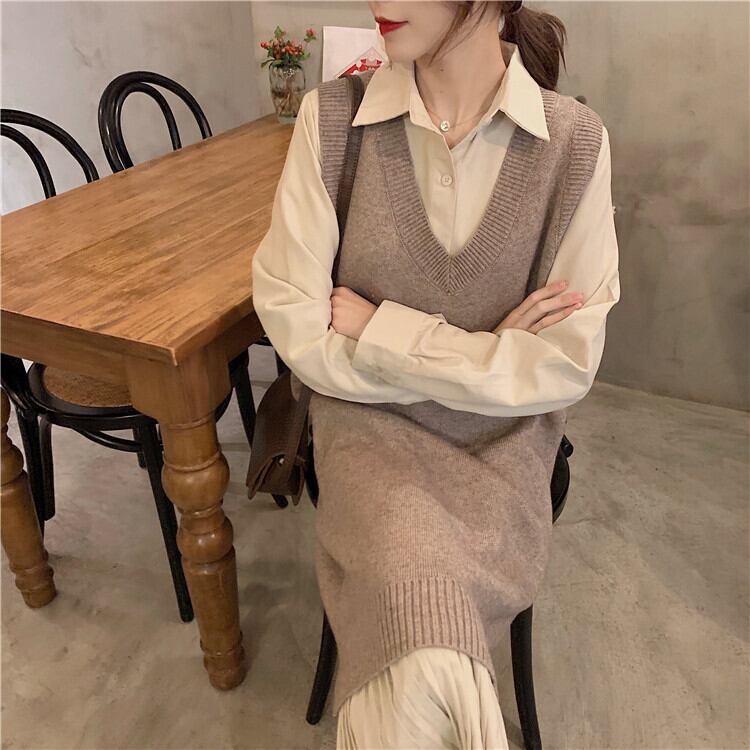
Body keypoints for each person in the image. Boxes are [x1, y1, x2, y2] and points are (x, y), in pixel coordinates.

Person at [252, 1, 620, 747]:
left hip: (503, 445)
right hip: (367, 431)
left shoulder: (574, 143)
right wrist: (489, 353)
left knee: (422, 640)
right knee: (415, 608)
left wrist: (383, 332)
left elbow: (564, 365)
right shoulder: (332, 121)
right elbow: (296, 327)